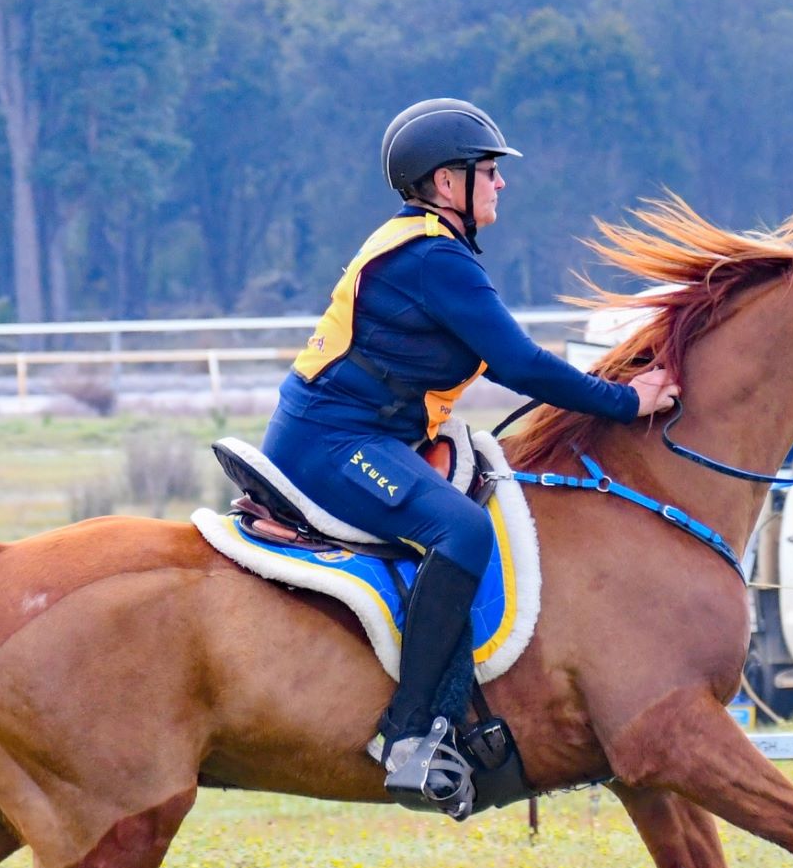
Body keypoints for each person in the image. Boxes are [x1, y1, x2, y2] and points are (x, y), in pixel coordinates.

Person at [265, 100, 666, 820]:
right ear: (448, 185)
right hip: (332, 443)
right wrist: (624, 403)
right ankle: (410, 735)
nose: (501, 184)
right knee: (464, 532)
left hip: (368, 434)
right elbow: (519, 362)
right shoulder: (431, 257)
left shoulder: (431, 247)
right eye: (489, 171)